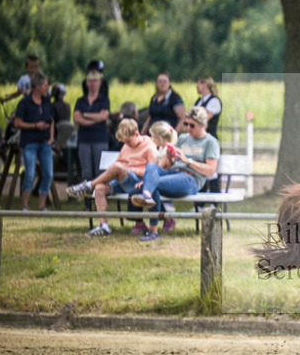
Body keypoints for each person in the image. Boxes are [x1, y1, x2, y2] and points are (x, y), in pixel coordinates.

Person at [130, 106, 220, 242]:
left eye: (192, 125)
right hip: (173, 173)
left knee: (155, 185)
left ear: (202, 125)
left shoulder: (210, 142)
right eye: (186, 124)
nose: (188, 128)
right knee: (151, 166)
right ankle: (147, 195)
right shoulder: (183, 138)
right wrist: (171, 159)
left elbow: (211, 169)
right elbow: (169, 165)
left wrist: (188, 161)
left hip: (191, 179)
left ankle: (153, 229)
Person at [65, 118, 158, 237]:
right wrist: (121, 168)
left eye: (128, 141)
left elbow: (153, 172)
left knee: (117, 167)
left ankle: (89, 185)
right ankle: (104, 226)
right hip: (121, 180)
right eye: (124, 142)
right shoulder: (126, 146)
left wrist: (130, 169)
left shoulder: (150, 147)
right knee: (99, 188)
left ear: (136, 134)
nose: (127, 144)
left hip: (137, 184)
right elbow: (119, 163)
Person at [13, 72, 55, 211]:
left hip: (45, 143)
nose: (47, 87)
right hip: (29, 142)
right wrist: (35, 126)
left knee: (48, 174)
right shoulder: (24, 103)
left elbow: (52, 121)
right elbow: (17, 123)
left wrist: (51, 138)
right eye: (45, 85)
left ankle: (41, 206)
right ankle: (25, 206)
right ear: (37, 86)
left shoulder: (47, 101)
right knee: (30, 174)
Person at [72, 68, 111, 185]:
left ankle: (99, 195)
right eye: (90, 81)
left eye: (95, 81)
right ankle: (87, 196)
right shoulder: (81, 101)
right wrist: (95, 118)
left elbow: (104, 116)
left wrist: (85, 115)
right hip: (84, 139)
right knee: (86, 173)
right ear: (87, 83)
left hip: (100, 139)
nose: (93, 84)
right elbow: (76, 118)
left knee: (100, 172)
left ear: (100, 83)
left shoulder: (104, 100)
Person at [193, 75, 223, 193]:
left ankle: (215, 198)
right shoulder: (199, 101)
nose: (197, 86)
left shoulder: (214, 101)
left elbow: (203, 118)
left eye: (199, 83)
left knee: (211, 172)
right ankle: (200, 200)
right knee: (199, 171)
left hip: (209, 140)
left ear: (205, 84)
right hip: (198, 140)